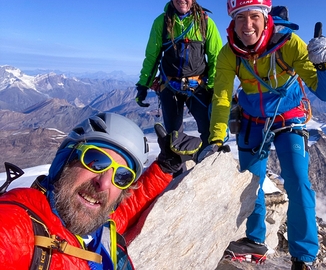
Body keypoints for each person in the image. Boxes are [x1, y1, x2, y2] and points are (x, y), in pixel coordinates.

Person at [198, 0, 326, 270]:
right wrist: (215, 139)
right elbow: (222, 98)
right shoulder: (229, 54)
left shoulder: (289, 44)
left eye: (254, 17)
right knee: (251, 181)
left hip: (288, 117)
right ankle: (255, 240)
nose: (247, 25)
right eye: (240, 18)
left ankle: (303, 256)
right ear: (232, 21)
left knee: (298, 181)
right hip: (252, 119)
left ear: (265, 17)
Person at [0, 112, 201, 269]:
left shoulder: (98, 228)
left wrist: (166, 166)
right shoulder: (19, 226)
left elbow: (125, 210)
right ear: (66, 161)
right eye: (95, 161)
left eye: (122, 176)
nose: (104, 183)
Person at [135, 0, 223, 151]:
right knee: (173, 139)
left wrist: (213, 86)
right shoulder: (161, 22)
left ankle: (206, 171)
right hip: (170, 87)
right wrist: (144, 84)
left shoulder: (206, 23)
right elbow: (152, 55)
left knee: (209, 133)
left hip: (197, 86)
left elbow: (216, 57)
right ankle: (179, 175)